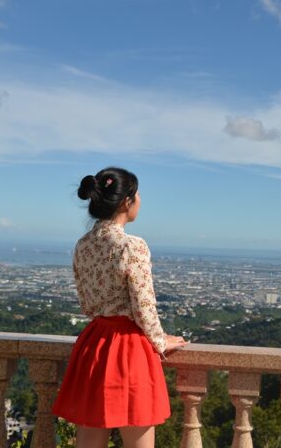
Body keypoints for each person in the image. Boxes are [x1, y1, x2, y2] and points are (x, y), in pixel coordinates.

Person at [52, 166, 188, 448]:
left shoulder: (83, 245)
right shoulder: (132, 246)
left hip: (94, 345)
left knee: (89, 440)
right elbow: (144, 306)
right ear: (127, 201)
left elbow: (86, 304)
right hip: (128, 350)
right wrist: (160, 341)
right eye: (137, 195)